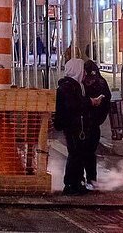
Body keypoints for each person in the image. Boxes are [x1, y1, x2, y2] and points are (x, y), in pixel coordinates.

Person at [54, 58, 87, 195]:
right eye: (83, 70)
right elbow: (73, 106)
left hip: (73, 125)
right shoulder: (69, 87)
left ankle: (77, 182)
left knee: (78, 153)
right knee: (75, 154)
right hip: (71, 125)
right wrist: (89, 102)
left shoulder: (74, 85)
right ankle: (70, 185)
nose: (85, 73)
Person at [82, 60, 111, 190]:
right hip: (93, 123)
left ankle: (82, 179)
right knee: (89, 152)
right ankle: (91, 179)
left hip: (84, 122)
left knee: (81, 152)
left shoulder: (81, 83)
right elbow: (107, 100)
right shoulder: (101, 82)